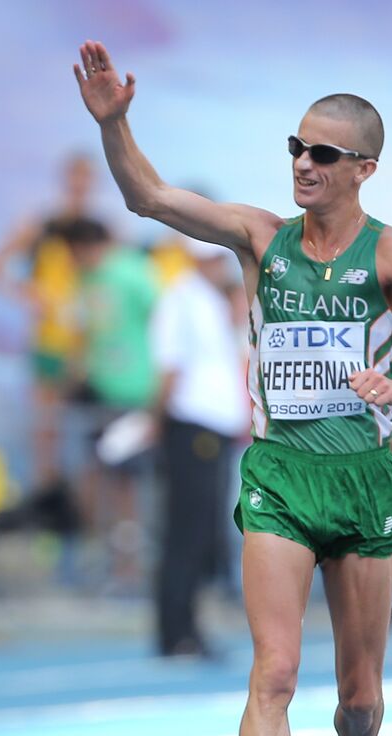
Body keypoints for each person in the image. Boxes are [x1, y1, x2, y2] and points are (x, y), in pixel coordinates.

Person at [74, 40, 392, 736]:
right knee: (273, 671)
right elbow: (147, 198)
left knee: (360, 698)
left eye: (323, 154)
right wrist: (118, 126)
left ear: (363, 169)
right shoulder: (259, 237)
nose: (303, 164)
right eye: (295, 148)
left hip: (362, 483)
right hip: (277, 476)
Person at [150, 237, 249, 658]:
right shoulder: (181, 299)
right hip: (193, 427)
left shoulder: (209, 301)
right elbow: (170, 367)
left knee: (202, 533)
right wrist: (158, 422)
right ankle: (177, 630)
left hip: (211, 429)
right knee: (186, 533)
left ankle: (187, 626)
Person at [0, 153, 102, 485]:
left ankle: (79, 511)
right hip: (50, 343)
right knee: (47, 431)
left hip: (87, 346)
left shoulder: (100, 231)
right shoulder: (43, 227)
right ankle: (47, 499)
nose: (81, 187)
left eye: (87, 180)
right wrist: (25, 293)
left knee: (91, 435)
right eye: (76, 179)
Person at [63, 216, 159, 586]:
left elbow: (161, 319)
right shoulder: (87, 281)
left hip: (135, 393)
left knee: (128, 486)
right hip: (100, 395)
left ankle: (129, 566)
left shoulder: (133, 272)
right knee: (97, 480)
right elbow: (88, 334)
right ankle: (107, 559)